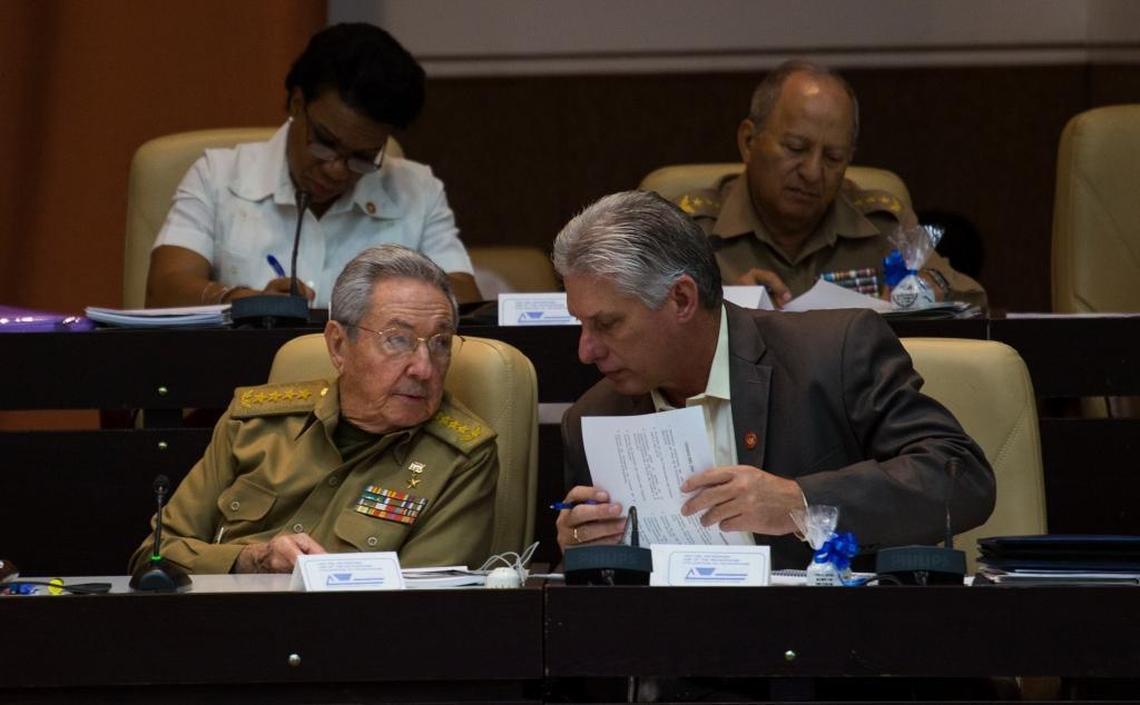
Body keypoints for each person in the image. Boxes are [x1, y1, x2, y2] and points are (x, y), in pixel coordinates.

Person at [553, 190, 995, 569]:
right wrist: (585, 554)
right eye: (581, 324)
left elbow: (959, 476)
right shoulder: (593, 418)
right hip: (679, 657)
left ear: (682, 299)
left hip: (839, 649)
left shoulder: (835, 353)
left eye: (607, 324)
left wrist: (800, 503)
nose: (585, 350)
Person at [129, 245, 497, 574]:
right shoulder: (253, 424)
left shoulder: (461, 458)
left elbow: (419, 606)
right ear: (338, 345)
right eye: (398, 340)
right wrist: (249, 560)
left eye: (440, 343)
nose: (424, 368)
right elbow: (154, 558)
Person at [146, 23, 482, 309]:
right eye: (324, 142)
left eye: (362, 157)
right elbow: (165, 289)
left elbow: (465, 298)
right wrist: (246, 302)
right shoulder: (217, 176)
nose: (336, 170)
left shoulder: (417, 190)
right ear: (296, 103)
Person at [676, 60, 985, 308]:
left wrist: (932, 288)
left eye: (833, 157)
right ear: (748, 141)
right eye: (796, 148)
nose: (812, 172)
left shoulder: (880, 224)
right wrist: (720, 307)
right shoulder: (688, 230)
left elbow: (973, 299)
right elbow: (640, 324)